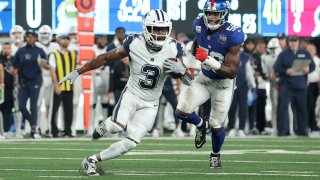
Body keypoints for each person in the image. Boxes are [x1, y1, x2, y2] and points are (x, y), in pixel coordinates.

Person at [59, 9, 193, 176]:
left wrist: (183, 71)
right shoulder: (134, 42)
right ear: (146, 29)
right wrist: (79, 71)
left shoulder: (173, 47)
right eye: (156, 29)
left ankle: (91, 160)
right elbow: (106, 57)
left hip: (151, 103)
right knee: (116, 127)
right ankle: (105, 125)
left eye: (163, 29)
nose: (160, 33)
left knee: (131, 142)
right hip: (132, 93)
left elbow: (188, 79)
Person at [174, 0, 244, 169]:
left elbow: (231, 72)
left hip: (223, 84)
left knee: (216, 125)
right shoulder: (198, 24)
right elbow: (197, 43)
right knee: (181, 112)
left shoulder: (233, 34)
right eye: (209, 13)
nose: (212, 18)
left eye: (216, 14)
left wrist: (207, 60)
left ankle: (215, 155)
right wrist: (189, 65)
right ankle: (199, 124)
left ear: (224, 14)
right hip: (204, 79)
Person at [274, 35, 315, 136]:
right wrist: (285, 71)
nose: (293, 43)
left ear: (298, 42)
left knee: (302, 108)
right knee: (283, 109)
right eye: (291, 41)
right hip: (286, 85)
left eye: (295, 41)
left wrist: (308, 69)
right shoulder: (283, 54)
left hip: (301, 85)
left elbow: (313, 66)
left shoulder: (305, 53)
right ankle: (283, 130)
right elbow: (276, 67)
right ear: (288, 42)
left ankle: (303, 130)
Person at [12, 29, 49, 139]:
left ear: (36, 38)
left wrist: (42, 64)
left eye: (32, 36)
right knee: (22, 106)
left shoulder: (40, 50)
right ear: (26, 37)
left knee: (34, 106)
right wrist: (16, 80)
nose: (30, 38)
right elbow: (15, 67)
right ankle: (34, 125)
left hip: (36, 81)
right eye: (28, 36)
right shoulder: (20, 51)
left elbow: (46, 65)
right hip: (23, 82)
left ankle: (33, 130)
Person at [49, 34, 77, 138]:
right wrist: (56, 85)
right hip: (59, 87)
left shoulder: (73, 54)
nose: (65, 41)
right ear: (59, 41)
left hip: (69, 87)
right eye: (63, 39)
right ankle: (54, 131)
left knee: (69, 111)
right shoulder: (54, 54)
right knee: (55, 110)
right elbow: (52, 70)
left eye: (67, 39)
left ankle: (67, 131)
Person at [36, 25, 59, 136]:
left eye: (47, 34)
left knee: (50, 105)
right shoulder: (36, 45)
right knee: (38, 104)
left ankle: (49, 128)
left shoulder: (55, 46)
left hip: (52, 77)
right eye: (43, 34)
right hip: (39, 78)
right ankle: (37, 127)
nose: (45, 36)